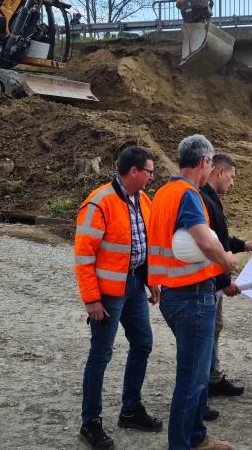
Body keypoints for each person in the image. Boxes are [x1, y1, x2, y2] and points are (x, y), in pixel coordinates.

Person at [148, 134, 241, 450]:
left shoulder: (163, 192)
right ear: (204, 162)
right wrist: (226, 258)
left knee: (194, 375)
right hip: (192, 296)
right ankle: (183, 443)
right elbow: (203, 240)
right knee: (191, 380)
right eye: (211, 164)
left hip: (172, 293)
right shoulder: (189, 195)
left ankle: (197, 437)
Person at [75, 146, 163, 449]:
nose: (152, 177)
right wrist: (92, 299)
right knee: (100, 355)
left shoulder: (144, 201)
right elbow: (84, 256)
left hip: (136, 288)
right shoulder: (98, 203)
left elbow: (146, 245)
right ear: (135, 172)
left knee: (143, 343)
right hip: (108, 296)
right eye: (150, 171)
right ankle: (91, 422)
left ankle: (130, 409)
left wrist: (152, 281)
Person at [200, 154, 252, 418]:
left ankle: (213, 379)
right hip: (208, 280)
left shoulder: (211, 197)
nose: (233, 183)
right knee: (204, 335)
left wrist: (242, 245)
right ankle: (200, 391)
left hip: (214, 278)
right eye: (232, 176)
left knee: (214, 328)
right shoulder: (203, 198)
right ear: (219, 171)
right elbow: (208, 246)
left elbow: (220, 238)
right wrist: (225, 282)